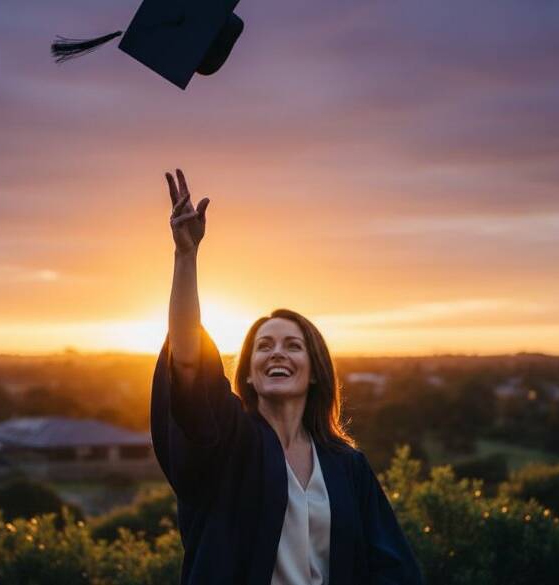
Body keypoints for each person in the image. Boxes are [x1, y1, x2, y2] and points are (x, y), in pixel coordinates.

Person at [153, 169, 424, 585]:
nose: (277, 352)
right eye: (264, 346)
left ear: (315, 371)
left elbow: (392, 568)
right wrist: (185, 257)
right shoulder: (230, 445)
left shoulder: (346, 466)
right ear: (248, 372)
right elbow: (188, 366)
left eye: (292, 345)